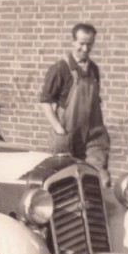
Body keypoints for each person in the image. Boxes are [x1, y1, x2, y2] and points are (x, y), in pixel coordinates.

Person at [39, 22, 111, 186]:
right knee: (67, 182)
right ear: (73, 42)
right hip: (67, 137)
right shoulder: (60, 68)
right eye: (81, 44)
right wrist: (58, 129)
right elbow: (45, 101)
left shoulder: (94, 69)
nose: (85, 49)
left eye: (89, 44)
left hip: (93, 136)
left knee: (100, 179)